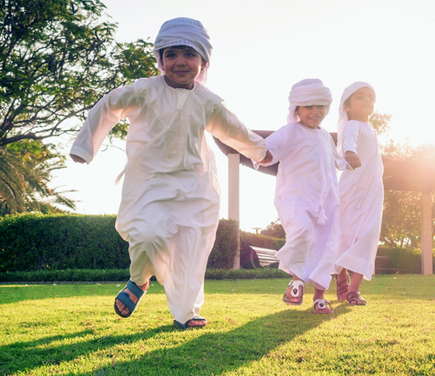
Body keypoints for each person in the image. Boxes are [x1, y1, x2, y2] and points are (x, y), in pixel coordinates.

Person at [69, 17, 271, 329]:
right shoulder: (143, 90)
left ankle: (186, 313)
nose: (180, 62)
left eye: (189, 55)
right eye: (172, 54)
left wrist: (260, 150)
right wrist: (85, 147)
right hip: (149, 182)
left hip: (195, 186)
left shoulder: (208, 101)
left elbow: (234, 130)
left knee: (191, 250)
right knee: (147, 235)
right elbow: (108, 106)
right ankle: (139, 281)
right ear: (160, 59)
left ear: (202, 63)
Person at [258, 79, 346, 314]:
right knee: (302, 233)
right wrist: (265, 156)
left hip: (326, 202)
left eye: (321, 106)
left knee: (327, 248)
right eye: (308, 106)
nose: (316, 112)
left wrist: (351, 159)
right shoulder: (290, 131)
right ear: (296, 109)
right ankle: (296, 283)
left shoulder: (326, 135)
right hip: (295, 197)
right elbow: (268, 150)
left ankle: (319, 297)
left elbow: (337, 161)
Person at [333, 82, 384, 305]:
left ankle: (354, 291)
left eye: (371, 97)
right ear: (346, 106)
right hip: (351, 190)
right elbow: (348, 141)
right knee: (343, 236)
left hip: (373, 192)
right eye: (360, 97)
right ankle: (341, 279)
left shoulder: (371, 128)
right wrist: (350, 152)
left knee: (369, 236)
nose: (367, 101)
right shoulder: (352, 124)